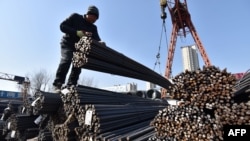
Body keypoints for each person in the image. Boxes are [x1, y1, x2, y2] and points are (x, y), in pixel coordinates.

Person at [53, 5, 102, 92]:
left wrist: (100, 43)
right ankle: (58, 84)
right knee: (67, 60)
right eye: (93, 17)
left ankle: (71, 86)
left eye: (96, 19)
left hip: (80, 48)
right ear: (88, 14)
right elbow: (62, 26)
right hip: (68, 43)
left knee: (78, 65)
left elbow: (97, 40)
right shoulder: (75, 17)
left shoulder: (93, 28)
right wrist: (77, 32)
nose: (94, 20)